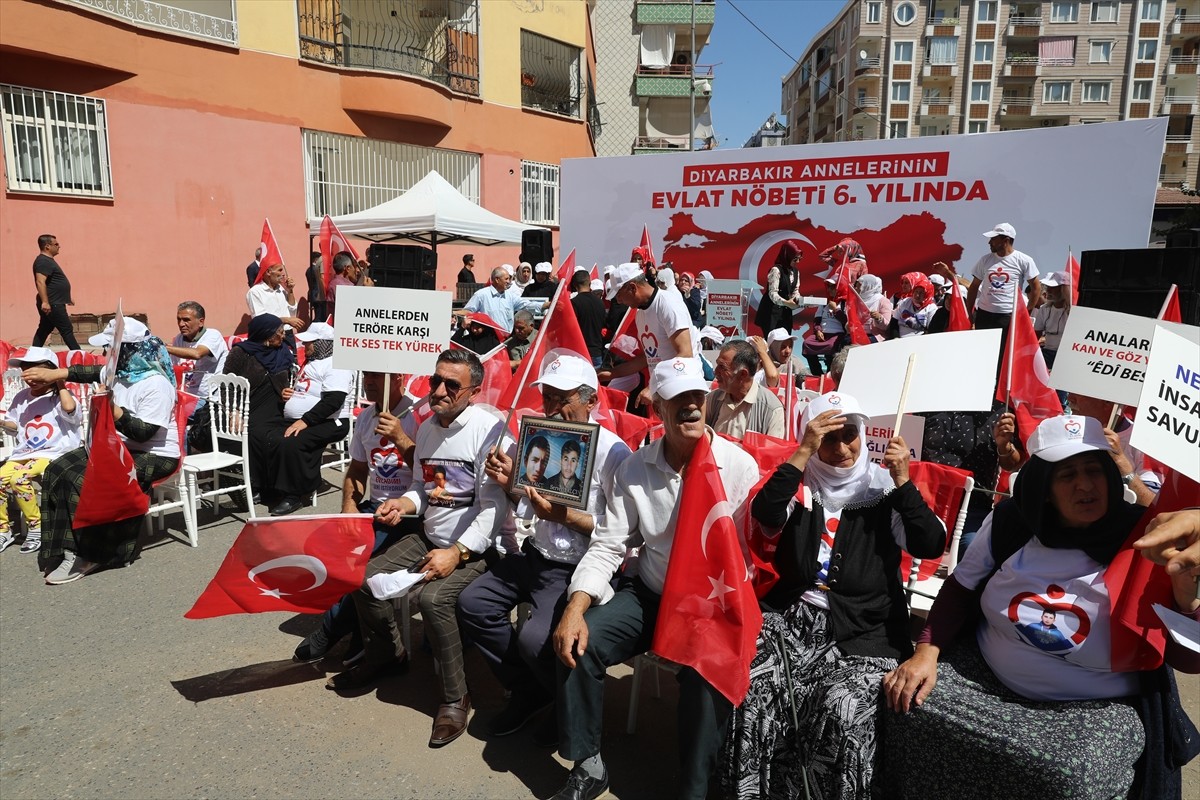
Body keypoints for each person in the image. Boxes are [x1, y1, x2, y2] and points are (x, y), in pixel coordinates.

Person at [882, 415, 1200, 799]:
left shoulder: (1148, 538)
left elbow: (1188, 661)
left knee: (1068, 778)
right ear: (1045, 487)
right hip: (984, 678)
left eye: (1094, 471)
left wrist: (1187, 598)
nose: (1084, 485)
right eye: (1067, 475)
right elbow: (959, 590)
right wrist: (925, 653)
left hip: (1095, 705)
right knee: (902, 708)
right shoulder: (1011, 523)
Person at [551, 357, 760, 800]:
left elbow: (749, 556)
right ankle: (588, 763)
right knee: (578, 641)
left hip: (709, 606)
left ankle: (694, 790)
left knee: (708, 680)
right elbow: (610, 543)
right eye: (678, 399)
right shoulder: (634, 469)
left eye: (697, 398)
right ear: (657, 409)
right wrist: (576, 605)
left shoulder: (737, 466)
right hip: (651, 592)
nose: (690, 408)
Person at [720, 392, 945, 800]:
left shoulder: (883, 488)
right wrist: (803, 452)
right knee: (755, 686)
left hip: (864, 629)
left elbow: (931, 544)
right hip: (792, 619)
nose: (841, 448)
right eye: (828, 438)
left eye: (850, 434)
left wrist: (903, 482)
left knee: (840, 707)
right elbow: (766, 514)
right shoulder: (801, 482)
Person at [327, 349, 513, 750]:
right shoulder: (427, 428)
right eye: (435, 381)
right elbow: (422, 487)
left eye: (452, 384)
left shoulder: (491, 432)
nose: (439, 390)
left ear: (474, 391)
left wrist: (457, 552)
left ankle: (454, 697)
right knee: (361, 577)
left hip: (475, 548)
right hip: (429, 534)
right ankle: (387, 655)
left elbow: (493, 509)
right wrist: (404, 504)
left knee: (433, 600)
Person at [460, 352, 631, 740]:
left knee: (535, 639)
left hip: (577, 566)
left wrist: (567, 517)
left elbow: (622, 532)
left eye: (561, 398)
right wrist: (509, 481)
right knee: (473, 604)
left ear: (590, 401)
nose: (551, 408)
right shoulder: (540, 438)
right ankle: (532, 689)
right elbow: (529, 497)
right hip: (535, 553)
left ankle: (563, 704)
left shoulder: (614, 452)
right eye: (547, 397)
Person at [25, 318, 181, 584]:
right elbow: (85, 372)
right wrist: (54, 374)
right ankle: (61, 546)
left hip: (156, 454)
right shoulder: (119, 372)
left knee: (82, 480)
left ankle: (91, 553)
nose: (107, 354)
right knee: (57, 469)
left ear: (129, 351)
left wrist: (114, 409)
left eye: (112, 348)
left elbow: (144, 433)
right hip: (118, 447)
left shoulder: (156, 385)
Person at [292, 371, 419, 664]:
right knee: (323, 547)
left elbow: (429, 474)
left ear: (398, 378)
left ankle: (331, 629)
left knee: (358, 560)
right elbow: (358, 469)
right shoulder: (364, 418)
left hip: (410, 513)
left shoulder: (418, 416)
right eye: (367, 376)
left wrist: (400, 437)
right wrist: (349, 507)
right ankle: (360, 630)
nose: (369, 382)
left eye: (378, 376)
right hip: (373, 508)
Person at [0, 347, 82, 554]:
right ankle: (4, 529)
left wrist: (60, 382)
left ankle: (36, 527)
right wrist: (2, 422)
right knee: (1, 478)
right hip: (24, 453)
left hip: (54, 453)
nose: (31, 378)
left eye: (35, 372)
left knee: (18, 479)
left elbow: (70, 410)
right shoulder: (21, 397)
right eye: (26, 372)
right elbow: (14, 425)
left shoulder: (61, 396)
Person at [268, 322, 353, 516]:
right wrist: (289, 393)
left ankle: (294, 494)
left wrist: (305, 421)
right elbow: (306, 390)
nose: (305, 347)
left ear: (324, 343)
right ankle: (272, 486)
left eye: (310, 343)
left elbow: (334, 400)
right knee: (266, 433)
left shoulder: (336, 364)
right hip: (309, 417)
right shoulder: (312, 362)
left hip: (332, 421)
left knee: (293, 442)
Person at [603, 262, 698, 406]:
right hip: (663, 393)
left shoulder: (668, 304)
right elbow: (648, 357)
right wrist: (611, 374)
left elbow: (685, 354)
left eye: (619, 295)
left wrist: (653, 386)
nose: (619, 301)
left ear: (632, 288)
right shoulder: (640, 315)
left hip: (684, 392)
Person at [221, 314, 294, 502]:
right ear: (265, 334)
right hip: (246, 407)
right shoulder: (241, 352)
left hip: (276, 406)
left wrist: (290, 391)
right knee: (254, 433)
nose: (282, 336)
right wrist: (234, 412)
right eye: (278, 333)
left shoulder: (284, 351)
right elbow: (227, 385)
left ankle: (273, 486)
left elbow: (293, 381)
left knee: (277, 436)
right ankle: (254, 484)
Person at [166, 301, 228, 452]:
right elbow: (175, 371)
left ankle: (182, 464)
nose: (181, 324)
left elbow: (197, 354)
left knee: (174, 418)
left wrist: (164, 347)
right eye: (178, 320)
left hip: (209, 399)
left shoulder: (212, 335)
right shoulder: (179, 340)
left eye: (186, 320)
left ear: (201, 322)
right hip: (186, 397)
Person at [966, 222, 1042, 330]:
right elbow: (974, 286)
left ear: (1005, 240)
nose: (989, 242)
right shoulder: (985, 260)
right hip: (983, 315)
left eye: (993, 239)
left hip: (1008, 317)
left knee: (1004, 347)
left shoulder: (1024, 260)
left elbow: (1036, 288)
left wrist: (1026, 311)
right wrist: (969, 311)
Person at [706, 339, 786, 440]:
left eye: (722, 367)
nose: (716, 371)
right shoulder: (712, 399)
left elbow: (771, 453)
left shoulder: (771, 409)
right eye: (717, 365)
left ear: (743, 374)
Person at [31, 233, 80, 350]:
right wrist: (45, 302)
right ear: (47, 246)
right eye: (56, 244)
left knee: (44, 328)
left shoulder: (48, 261)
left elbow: (53, 283)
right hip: (53, 303)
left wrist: (67, 297)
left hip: (54, 301)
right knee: (66, 329)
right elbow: (40, 282)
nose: (59, 246)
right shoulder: (43, 261)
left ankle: (33, 353)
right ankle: (79, 356)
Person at [246, 263, 304, 344]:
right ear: (269, 272)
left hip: (287, 334)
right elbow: (261, 320)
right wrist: (286, 320)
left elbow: (292, 310)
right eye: (279, 270)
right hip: (271, 337)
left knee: (292, 356)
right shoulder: (255, 292)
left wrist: (290, 290)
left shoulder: (280, 288)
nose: (283, 274)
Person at [754, 240, 803, 335]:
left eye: (800, 259)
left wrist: (801, 301)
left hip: (785, 312)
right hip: (771, 311)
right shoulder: (776, 270)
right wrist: (786, 302)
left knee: (785, 339)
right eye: (795, 259)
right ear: (787, 257)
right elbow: (772, 293)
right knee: (772, 340)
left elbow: (795, 291)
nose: (797, 262)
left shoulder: (796, 272)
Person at [801, 279, 847, 375]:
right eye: (828, 287)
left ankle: (831, 373)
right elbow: (817, 319)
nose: (829, 289)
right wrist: (818, 330)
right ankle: (817, 372)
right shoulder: (824, 303)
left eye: (832, 287)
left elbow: (846, 320)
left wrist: (835, 310)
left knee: (831, 346)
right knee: (807, 344)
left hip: (837, 333)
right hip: (823, 333)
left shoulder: (844, 303)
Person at [460, 267, 519, 332]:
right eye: (506, 279)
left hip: (505, 338)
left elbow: (525, 304)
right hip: (486, 338)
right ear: (497, 279)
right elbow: (467, 312)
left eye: (509, 279)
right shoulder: (481, 294)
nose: (508, 281)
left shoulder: (509, 296)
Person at [569, 269, 606, 367]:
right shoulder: (600, 303)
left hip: (579, 352)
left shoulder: (573, 303)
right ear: (589, 283)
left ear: (575, 285)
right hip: (596, 352)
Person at [893, 272, 938, 338]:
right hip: (899, 340)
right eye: (916, 291)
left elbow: (930, 330)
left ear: (927, 294)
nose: (917, 295)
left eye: (921, 293)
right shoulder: (905, 301)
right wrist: (895, 338)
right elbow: (894, 321)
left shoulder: (932, 308)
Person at [855, 274, 892, 342]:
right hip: (857, 334)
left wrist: (879, 318)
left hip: (875, 336)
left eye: (859, 286)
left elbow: (886, 326)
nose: (856, 288)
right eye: (856, 286)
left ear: (867, 287)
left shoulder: (883, 301)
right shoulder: (857, 300)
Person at [325, 252, 360, 320]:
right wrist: (369, 290)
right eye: (355, 267)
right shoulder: (344, 287)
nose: (357, 271)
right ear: (348, 268)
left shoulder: (334, 283)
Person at [305, 251, 328, 323]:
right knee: (320, 316)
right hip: (318, 295)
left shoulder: (309, 269)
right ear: (316, 260)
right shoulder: (315, 269)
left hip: (313, 295)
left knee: (318, 315)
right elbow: (320, 281)